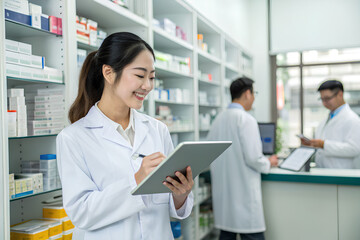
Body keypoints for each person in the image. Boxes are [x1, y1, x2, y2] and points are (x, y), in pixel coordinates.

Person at [56, 32, 194, 240]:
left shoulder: (157, 130)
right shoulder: (73, 138)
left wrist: (180, 195)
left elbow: (167, 206)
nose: (147, 86)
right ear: (109, 73)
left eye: (152, 77)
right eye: (140, 75)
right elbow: (81, 213)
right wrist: (136, 180)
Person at [207, 77, 278, 240]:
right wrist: (269, 162)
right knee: (252, 234)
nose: (253, 99)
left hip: (225, 199)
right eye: (254, 94)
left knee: (226, 233)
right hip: (244, 198)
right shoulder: (246, 119)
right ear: (247, 93)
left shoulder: (218, 120)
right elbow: (254, 158)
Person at [301, 80, 360, 169]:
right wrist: (312, 144)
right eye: (322, 99)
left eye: (327, 98)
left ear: (340, 94)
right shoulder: (325, 120)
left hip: (342, 174)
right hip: (324, 171)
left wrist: (324, 144)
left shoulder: (353, 119)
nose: (324, 103)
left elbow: (354, 149)